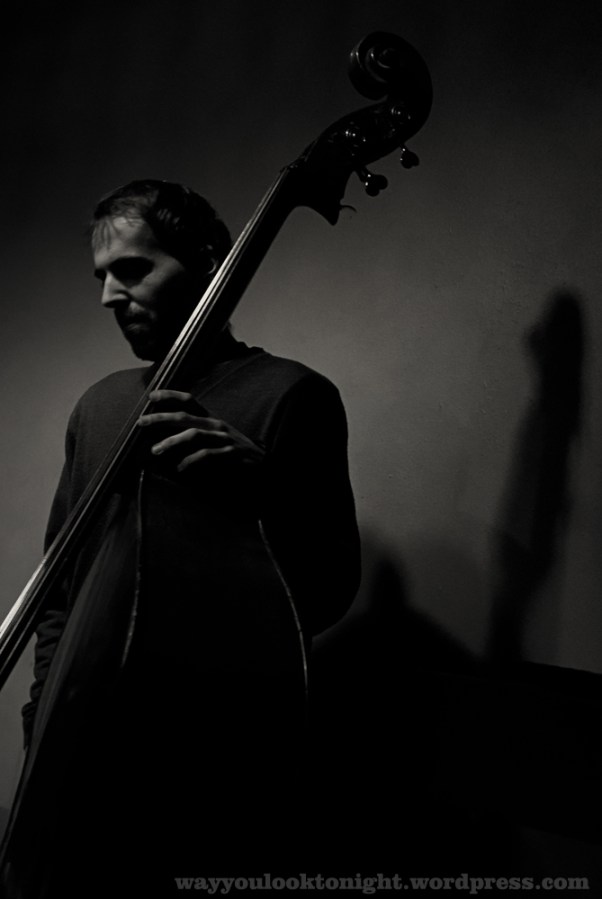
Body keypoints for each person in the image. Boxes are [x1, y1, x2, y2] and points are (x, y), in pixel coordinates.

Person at [1, 180, 360, 896]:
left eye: (133, 269)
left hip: (206, 752)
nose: (110, 296)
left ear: (207, 262)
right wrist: (44, 719)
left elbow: (325, 592)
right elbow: (61, 593)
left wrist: (266, 488)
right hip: (81, 748)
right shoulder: (100, 404)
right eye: (102, 277)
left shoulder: (292, 394)